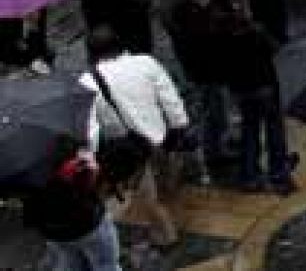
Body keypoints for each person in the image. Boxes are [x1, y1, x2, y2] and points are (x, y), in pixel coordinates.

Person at [81, 25, 189, 250]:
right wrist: (179, 127)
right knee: (168, 186)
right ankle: (175, 218)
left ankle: (168, 235)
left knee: (147, 195)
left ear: (90, 53)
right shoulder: (146, 63)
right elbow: (170, 99)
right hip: (162, 141)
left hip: (131, 150)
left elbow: (90, 130)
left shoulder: (89, 81)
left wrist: (90, 158)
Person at [211, 0, 297, 194]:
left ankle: (250, 176)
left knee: (249, 131)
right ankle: (279, 174)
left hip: (241, 90)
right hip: (265, 87)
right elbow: (275, 48)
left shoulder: (219, 32)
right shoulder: (254, 30)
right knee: (274, 130)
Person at [21, 142, 122, 271]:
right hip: (87, 224)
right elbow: (93, 183)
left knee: (70, 264)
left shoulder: (21, 161)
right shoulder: (72, 152)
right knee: (106, 264)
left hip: (52, 229)